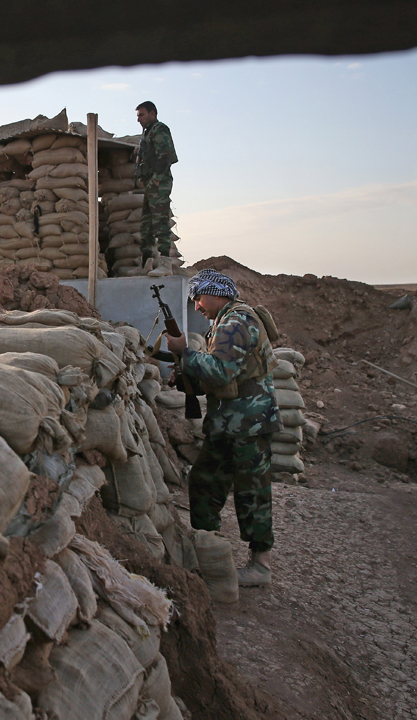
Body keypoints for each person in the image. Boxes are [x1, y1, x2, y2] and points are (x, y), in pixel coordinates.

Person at [163, 269, 280, 586]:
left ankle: (261, 567)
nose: (197, 306)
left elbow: (222, 372)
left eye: (198, 298)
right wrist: (188, 378)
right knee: (204, 483)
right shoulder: (225, 322)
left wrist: (185, 352)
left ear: (215, 294)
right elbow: (227, 376)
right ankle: (209, 551)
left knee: (252, 492)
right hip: (230, 422)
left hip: (248, 424)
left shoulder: (235, 322)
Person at [134, 101, 178, 267]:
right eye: (138, 116)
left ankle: (165, 262)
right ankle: (147, 261)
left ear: (152, 114)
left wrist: (157, 179)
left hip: (158, 182)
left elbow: (165, 155)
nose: (139, 119)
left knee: (160, 222)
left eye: (142, 115)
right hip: (150, 183)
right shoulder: (147, 134)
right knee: (146, 224)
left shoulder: (160, 129)